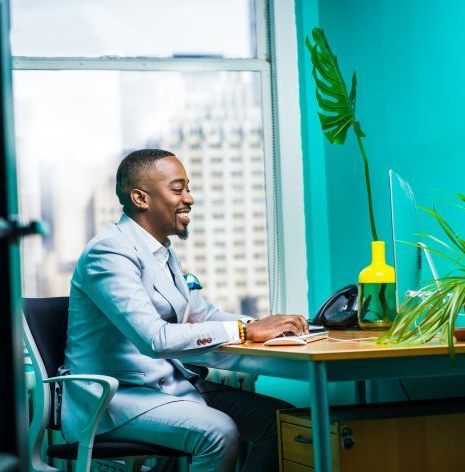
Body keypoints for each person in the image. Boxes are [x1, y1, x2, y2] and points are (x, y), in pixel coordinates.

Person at [61, 149, 309, 471]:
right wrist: (245, 332)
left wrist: (262, 324)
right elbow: (155, 339)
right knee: (218, 433)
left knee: (279, 422)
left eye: (188, 189)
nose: (189, 198)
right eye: (178, 189)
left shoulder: (161, 251)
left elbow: (201, 316)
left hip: (171, 389)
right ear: (141, 198)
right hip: (116, 401)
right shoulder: (109, 252)